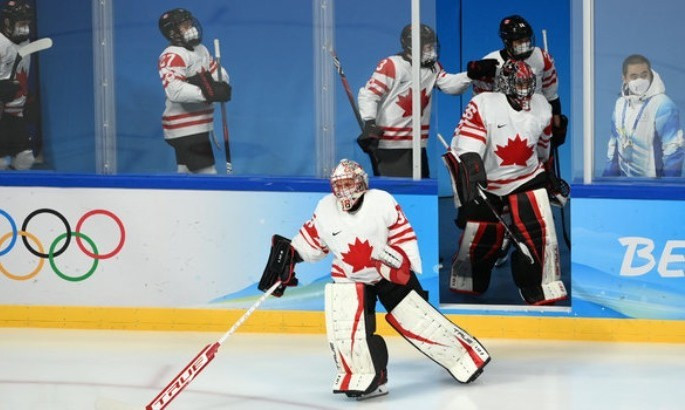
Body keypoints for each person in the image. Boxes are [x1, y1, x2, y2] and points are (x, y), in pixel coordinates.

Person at [258, 158, 490, 400]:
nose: (343, 190)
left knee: (420, 321)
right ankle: (370, 376)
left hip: (388, 272)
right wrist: (290, 257)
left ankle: (464, 357)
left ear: (361, 183)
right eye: (339, 185)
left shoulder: (381, 201)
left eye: (349, 183)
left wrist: (401, 263)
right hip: (349, 277)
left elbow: (403, 235)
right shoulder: (325, 208)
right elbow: (311, 241)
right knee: (348, 333)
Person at [444, 60, 567, 305]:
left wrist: (548, 169)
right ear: (505, 83)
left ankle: (539, 284)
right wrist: (471, 162)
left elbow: (542, 145)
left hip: (526, 177)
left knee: (539, 231)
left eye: (527, 83)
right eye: (519, 83)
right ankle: (470, 277)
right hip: (489, 181)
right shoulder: (484, 103)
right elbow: (466, 141)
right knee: (482, 235)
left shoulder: (542, 104)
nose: (524, 89)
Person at [357, 24, 494, 178]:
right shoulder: (392, 65)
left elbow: (449, 85)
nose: (432, 51)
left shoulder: (433, 67)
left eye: (432, 46)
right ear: (411, 46)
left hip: (417, 145)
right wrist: (369, 122)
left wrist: (470, 74)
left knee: (420, 190)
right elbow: (369, 94)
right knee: (401, 192)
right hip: (390, 146)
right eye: (426, 47)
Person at [470, 15, 568, 150]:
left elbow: (551, 94)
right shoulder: (490, 62)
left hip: (536, 119)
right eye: (519, 42)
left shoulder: (542, 58)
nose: (525, 45)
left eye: (527, 40)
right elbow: (481, 103)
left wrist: (557, 125)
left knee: (542, 164)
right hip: (504, 124)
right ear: (507, 42)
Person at [158, 8, 231, 174]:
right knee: (207, 174)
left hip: (198, 125)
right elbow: (174, 90)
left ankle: (178, 199)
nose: (190, 27)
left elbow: (217, 72)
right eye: (184, 25)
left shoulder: (201, 49)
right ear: (171, 32)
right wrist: (207, 92)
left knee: (184, 172)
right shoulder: (172, 55)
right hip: (185, 128)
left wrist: (221, 84)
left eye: (189, 22)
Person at [603, 54, 684, 177]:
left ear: (650, 74)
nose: (640, 80)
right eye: (634, 76)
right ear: (624, 78)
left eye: (644, 75)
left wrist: (667, 188)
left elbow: (673, 150)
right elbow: (614, 146)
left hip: (653, 186)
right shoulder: (620, 104)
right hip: (625, 183)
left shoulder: (663, 105)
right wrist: (607, 184)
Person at [0, 0, 34, 171]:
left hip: (16, 114)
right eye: (21, 24)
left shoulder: (26, 44)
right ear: (7, 22)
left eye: (27, 24)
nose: (24, 29)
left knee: (25, 159)